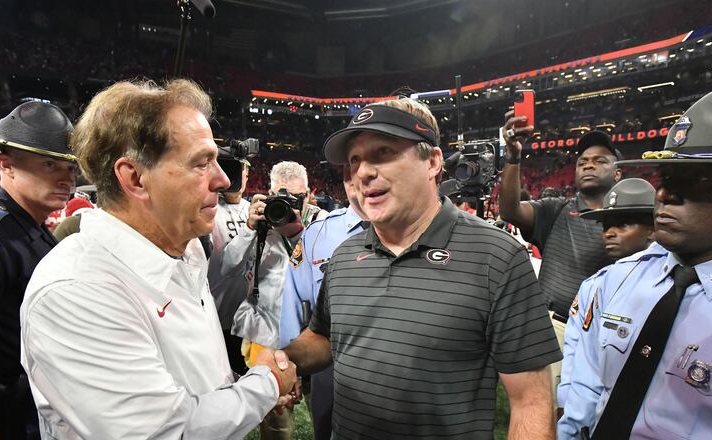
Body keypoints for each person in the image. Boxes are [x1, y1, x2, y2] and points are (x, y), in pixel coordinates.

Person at [19, 79, 297, 440]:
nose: (222, 180)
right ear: (135, 178)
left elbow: (193, 380)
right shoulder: (76, 290)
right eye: (201, 163)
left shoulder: (184, 250)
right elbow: (164, 432)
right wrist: (267, 383)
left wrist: (241, 390)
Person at [285, 98, 562, 439]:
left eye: (383, 152)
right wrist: (283, 359)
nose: (363, 172)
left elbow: (531, 402)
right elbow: (324, 338)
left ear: (432, 162)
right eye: (355, 160)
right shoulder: (343, 257)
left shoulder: (497, 256)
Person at [559, 85, 712, 439]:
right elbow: (584, 392)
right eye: (666, 177)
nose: (664, 193)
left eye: (700, 178)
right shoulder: (613, 281)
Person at [0, 101, 78, 440]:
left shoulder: (33, 231)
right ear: (5, 165)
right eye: (50, 164)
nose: (67, 178)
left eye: (70, 167)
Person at [500, 123, 621, 397]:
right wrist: (513, 157)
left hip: (607, 335)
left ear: (618, 172)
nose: (589, 166)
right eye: (582, 162)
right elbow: (510, 210)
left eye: (599, 161)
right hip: (556, 329)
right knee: (548, 409)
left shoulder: (629, 220)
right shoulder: (556, 210)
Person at [229, 160, 323, 439]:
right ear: (270, 194)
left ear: (309, 193)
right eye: (283, 197)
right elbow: (225, 269)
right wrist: (249, 229)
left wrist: (297, 232)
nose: (290, 206)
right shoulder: (258, 222)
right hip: (268, 333)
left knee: (326, 411)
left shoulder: (323, 222)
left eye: (298, 198)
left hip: (316, 333)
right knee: (277, 423)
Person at [278, 165, 368, 440]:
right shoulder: (318, 234)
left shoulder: (408, 231)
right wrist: (289, 366)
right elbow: (292, 299)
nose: (360, 178)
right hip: (329, 366)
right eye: (352, 167)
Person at [556, 178, 656, 408]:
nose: (609, 233)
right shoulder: (594, 285)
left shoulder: (676, 283)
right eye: (606, 226)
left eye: (624, 224)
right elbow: (575, 355)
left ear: (652, 230)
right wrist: (566, 405)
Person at [208, 158, 252, 374]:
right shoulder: (210, 209)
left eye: (241, 173)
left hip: (248, 315)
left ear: (247, 176)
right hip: (219, 313)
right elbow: (228, 266)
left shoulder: (253, 209)